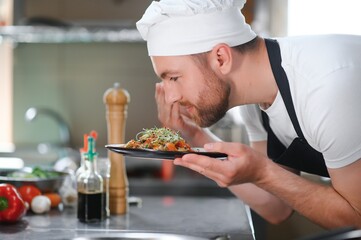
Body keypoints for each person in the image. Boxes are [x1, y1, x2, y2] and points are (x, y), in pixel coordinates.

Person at [136, 0, 361, 229]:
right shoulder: (253, 100)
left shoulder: (325, 86)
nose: (171, 97)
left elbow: (357, 217)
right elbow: (277, 207)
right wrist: (195, 137)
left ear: (221, 58)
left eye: (173, 77)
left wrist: (262, 172)